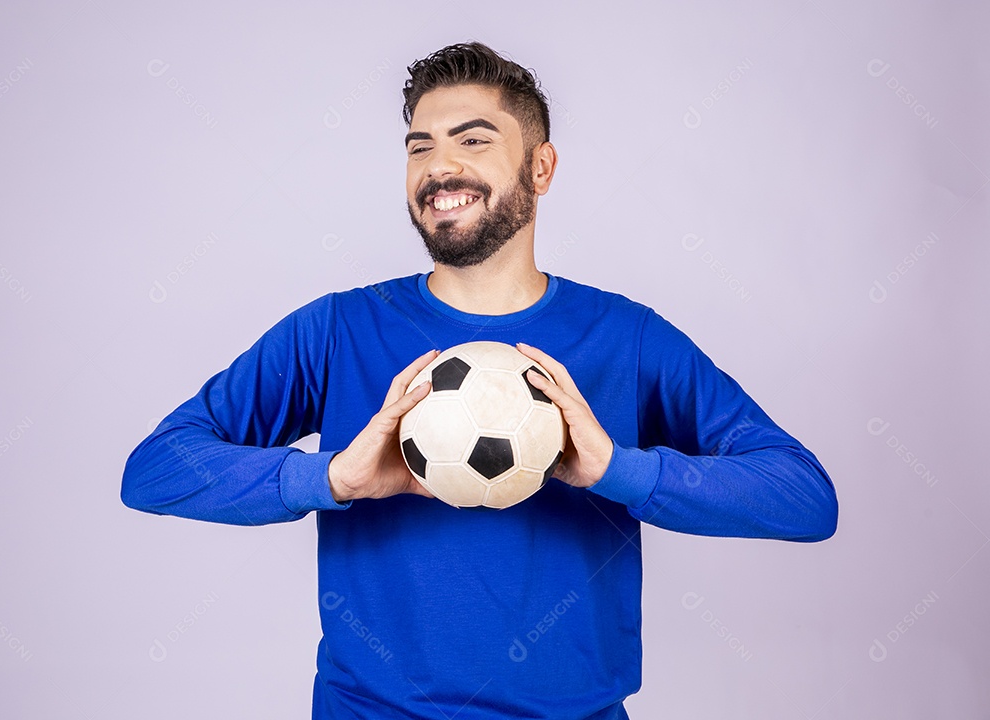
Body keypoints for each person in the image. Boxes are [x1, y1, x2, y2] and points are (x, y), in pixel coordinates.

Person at [121, 41, 838, 719]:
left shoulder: (628, 338)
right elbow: (154, 470)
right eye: (420, 147)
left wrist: (619, 470)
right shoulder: (338, 330)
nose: (440, 168)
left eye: (472, 141)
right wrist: (332, 478)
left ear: (541, 167)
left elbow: (805, 497)